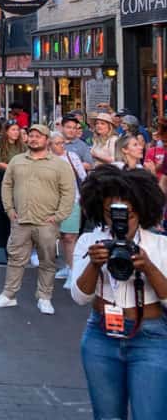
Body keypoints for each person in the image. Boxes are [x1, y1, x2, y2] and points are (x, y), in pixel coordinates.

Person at [71, 166, 167, 419]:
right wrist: (94, 264)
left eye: (129, 214)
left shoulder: (160, 245)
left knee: (150, 415)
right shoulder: (91, 241)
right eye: (111, 214)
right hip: (101, 336)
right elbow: (80, 298)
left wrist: (147, 266)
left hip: (151, 337)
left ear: (143, 209)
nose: (120, 222)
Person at [0, 124, 75, 315]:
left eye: (39, 136)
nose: (34, 139)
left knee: (47, 260)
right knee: (15, 258)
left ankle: (44, 297)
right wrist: (9, 209)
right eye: (31, 135)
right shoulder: (17, 161)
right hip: (20, 220)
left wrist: (59, 216)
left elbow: (68, 192)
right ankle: (9, 295)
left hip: (47, 222)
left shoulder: (60, 165)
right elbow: (7, 185)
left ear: (47, 140)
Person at [49, 131, 89, 288]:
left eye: (62, 143)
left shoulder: (72, 157)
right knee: (55, 236)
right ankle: (67, 265)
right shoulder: (46, 158)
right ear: (49, 144)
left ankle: (73, 271)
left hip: (72, 200)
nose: (61, 146)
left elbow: (83, 177)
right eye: (57, 143)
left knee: (70, 237)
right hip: (51, 202)